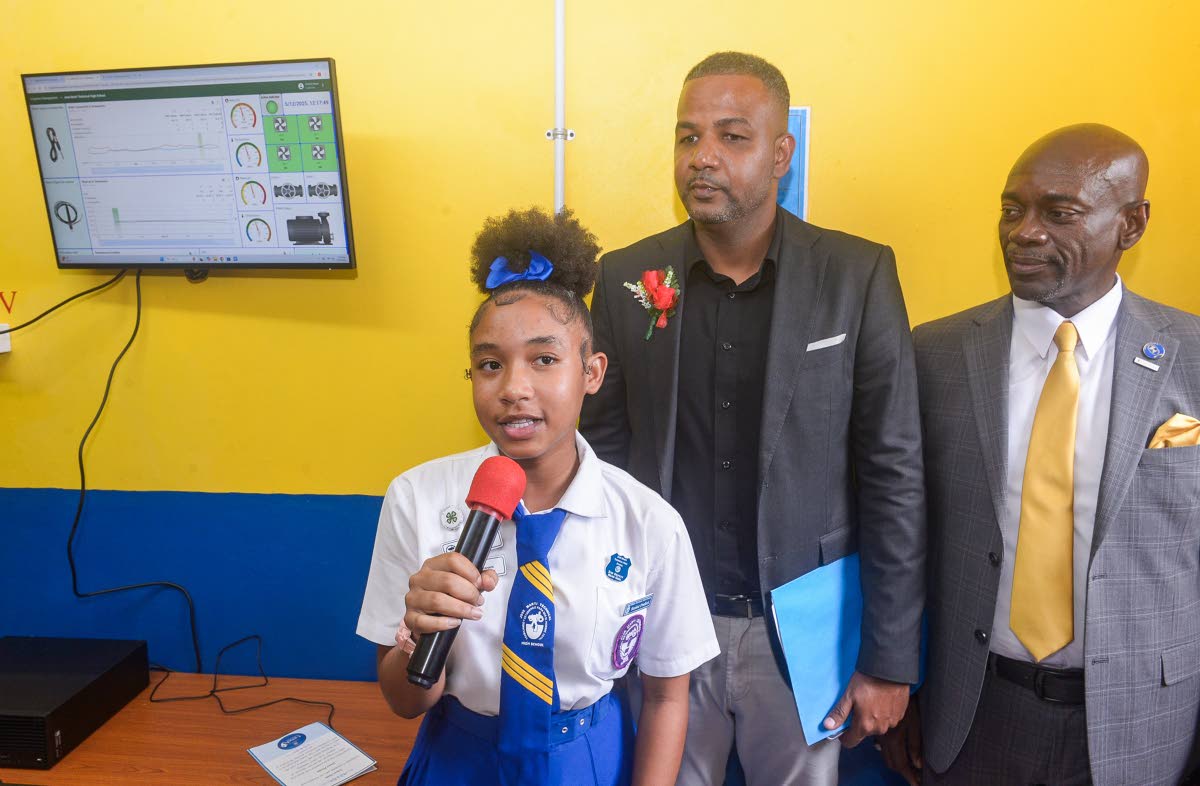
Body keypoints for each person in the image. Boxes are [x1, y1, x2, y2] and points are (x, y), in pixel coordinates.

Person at [579, 51, 925, 786]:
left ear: (781, 154)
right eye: (687, 136)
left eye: (732, 137)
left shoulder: (856, 276)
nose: (702, 157)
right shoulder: (627, 279)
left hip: (801, 635)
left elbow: (893, 470)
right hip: (663, 623)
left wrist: (890, 659)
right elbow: (597, 462)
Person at [881, 124, 1200, 786]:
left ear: (1131, 225)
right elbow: (900, 536)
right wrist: (898, 682)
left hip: (1146, 724)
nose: (1024, 232)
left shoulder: (1193, 357)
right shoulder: (934, 356)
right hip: (971, 714)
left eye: (1060, 213)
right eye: (1012, 209)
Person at [357, 207, 720, 786]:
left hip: (587, 758)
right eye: (490, 365)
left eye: (545, 359)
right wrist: (420, 636)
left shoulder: (649, 522)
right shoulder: (417, 499)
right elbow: (402, 701)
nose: (514, 389)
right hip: (459, 755)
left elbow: (666, 699)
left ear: (592, 372)